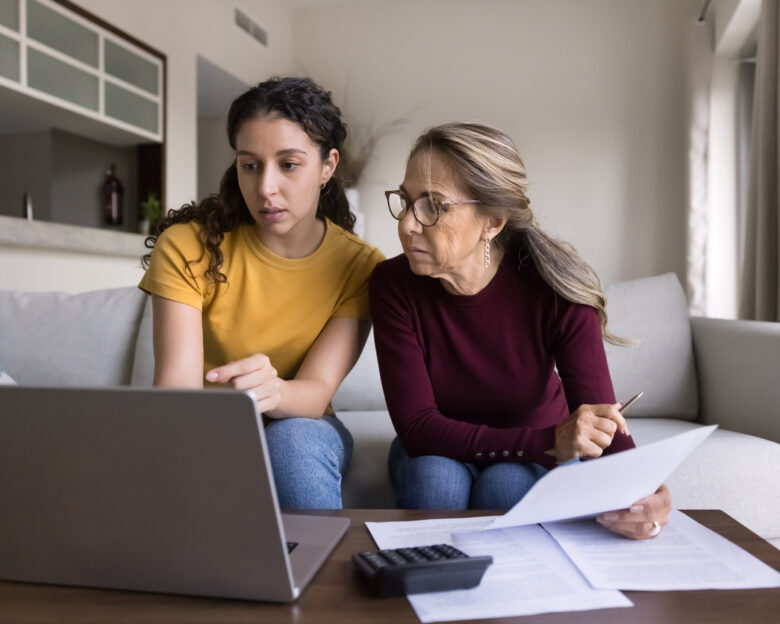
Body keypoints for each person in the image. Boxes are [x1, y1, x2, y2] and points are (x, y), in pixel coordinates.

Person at [369, 122, 670, 539]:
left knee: (505, 484)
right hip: (444, 445)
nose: (407, 224)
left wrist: (644, 494)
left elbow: (599, 421)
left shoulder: (557, 289)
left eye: (433, 206)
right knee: (436, 479)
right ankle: (415, 594)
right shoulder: (392, 284)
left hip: (532, 453)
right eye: (406, 201)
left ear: (492, 222)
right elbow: (418, 426)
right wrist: (548, 441)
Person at [139, 76, 384, 509]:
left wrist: (271, 391)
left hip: (301, 423)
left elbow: (314, 391)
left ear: (328, 166)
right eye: (250, 165)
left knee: (291, 443)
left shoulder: (360, 265)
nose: (266, 188)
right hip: (203, 425)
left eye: (289, 164)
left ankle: (322, 574)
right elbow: (177, 392)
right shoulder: (187, 246)